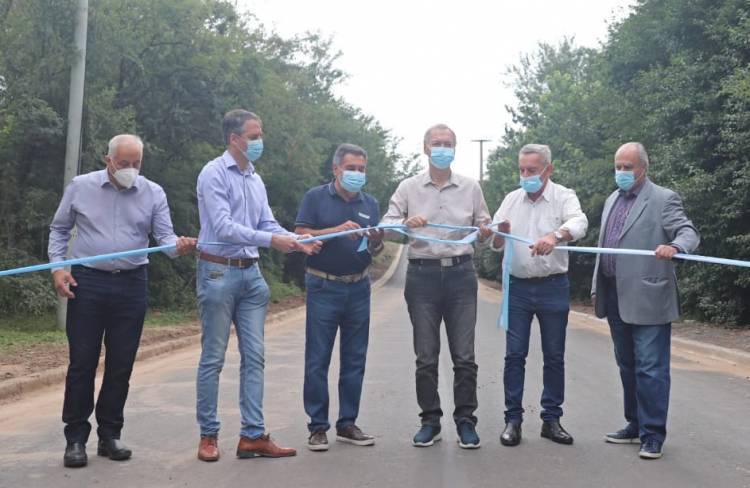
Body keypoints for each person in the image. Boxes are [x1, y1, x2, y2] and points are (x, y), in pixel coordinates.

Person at [49, 134, 197, 468]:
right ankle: (75, 439)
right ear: (109, 160)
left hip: (132, 284)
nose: (131, 169)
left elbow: (166, 241)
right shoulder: (81, 186)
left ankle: (109, 435)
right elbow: (59, 230)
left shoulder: (153, 192)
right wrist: (59, 269)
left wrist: (181, 245)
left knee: (121, 364)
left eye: (136, 164)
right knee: (82, 362)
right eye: (124, 163)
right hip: (87, 281)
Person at [195, 109, 321, 462]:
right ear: (234, 139)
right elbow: (223, 227)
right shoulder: (213, 173)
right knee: (213, 358)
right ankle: (208, 436)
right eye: (253, 135)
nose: (259, 141)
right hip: (218, 273)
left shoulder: (255, 178)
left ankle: (253, 436)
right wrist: (272, 240)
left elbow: (267, 221)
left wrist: (296, 240)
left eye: (260, 133)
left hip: (251, 275)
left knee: (256, 357)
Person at [382, 123, 492, 449]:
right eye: (437, 143)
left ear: (455, 149)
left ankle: (465, 422)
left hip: (461, 275)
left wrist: (488, 231)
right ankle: (430, 421)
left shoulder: (471, 187)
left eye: (448, 143)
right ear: (426, 148)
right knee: (426, 356)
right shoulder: (408, 187)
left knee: (465, 356)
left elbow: (484, 225)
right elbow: (385, 226)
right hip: (422, 277)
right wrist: (404, 223)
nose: (442, 148)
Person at [591, 142, 699, 460]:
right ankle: (634, 424)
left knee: (651, 368)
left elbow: (688, 231)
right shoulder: (612, 199)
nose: (621, 172)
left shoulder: (663, 198)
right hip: (614, 295)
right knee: (627, 366)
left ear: (643, 168)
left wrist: (676, 246)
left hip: (649, 296)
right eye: (618, 166)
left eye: (628, 167)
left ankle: (653, 434)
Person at [490, 143, 588, 447]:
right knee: (514, 355)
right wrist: (498, 231)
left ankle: (551, 419)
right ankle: (513, 420)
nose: (525, 176)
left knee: (554, 356)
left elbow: (579, 222)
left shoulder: (563, 196)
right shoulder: (511, 199)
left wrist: (555, 236)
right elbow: (494, 243)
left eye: (532, 170)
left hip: (553, 286)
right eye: (521, 170)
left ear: (548, 169)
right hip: (517, 288)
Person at [295, 143, 383, 451]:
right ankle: (318, 427)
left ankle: (348, 423)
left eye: (361, 169)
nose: (357, 174)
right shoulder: (315, 197)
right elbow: (301, 235)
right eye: (351, 168)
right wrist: (335, 230)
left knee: (355, 358)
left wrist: (375, 241)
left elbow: (376, 248)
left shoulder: (370, 203)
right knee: (318, 359)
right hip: (323, 286)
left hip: (359, 287)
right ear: (336, 169)